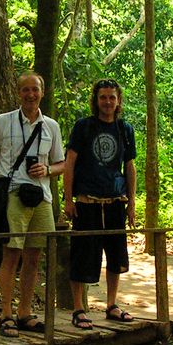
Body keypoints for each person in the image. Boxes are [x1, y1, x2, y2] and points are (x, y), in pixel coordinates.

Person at [0, 72, 65, 337]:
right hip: (12, 195)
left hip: (41, 197)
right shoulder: (3, 122)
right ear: (18, 93)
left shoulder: (52, 127)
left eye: (34, 89)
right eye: (25, 90)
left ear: (42, 92)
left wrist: (46, 169)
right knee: (11, 255)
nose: (30, 94)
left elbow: (62, 163)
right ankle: (6, 315)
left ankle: (25, 312)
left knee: (34, 257)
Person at [62, 79, 137, 330]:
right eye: (103, 97)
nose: (107, 102)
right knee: (82, 255)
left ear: (118, 101)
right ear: (96, 100)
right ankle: (78, 308)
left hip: (115, 202)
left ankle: (112, 304)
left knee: (116, 255)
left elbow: (129, 166)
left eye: (112, 98)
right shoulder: (84, 127)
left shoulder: (125, 130)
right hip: (87, 202)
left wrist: (132, 202)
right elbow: (70, 162)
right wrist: (68, 199)